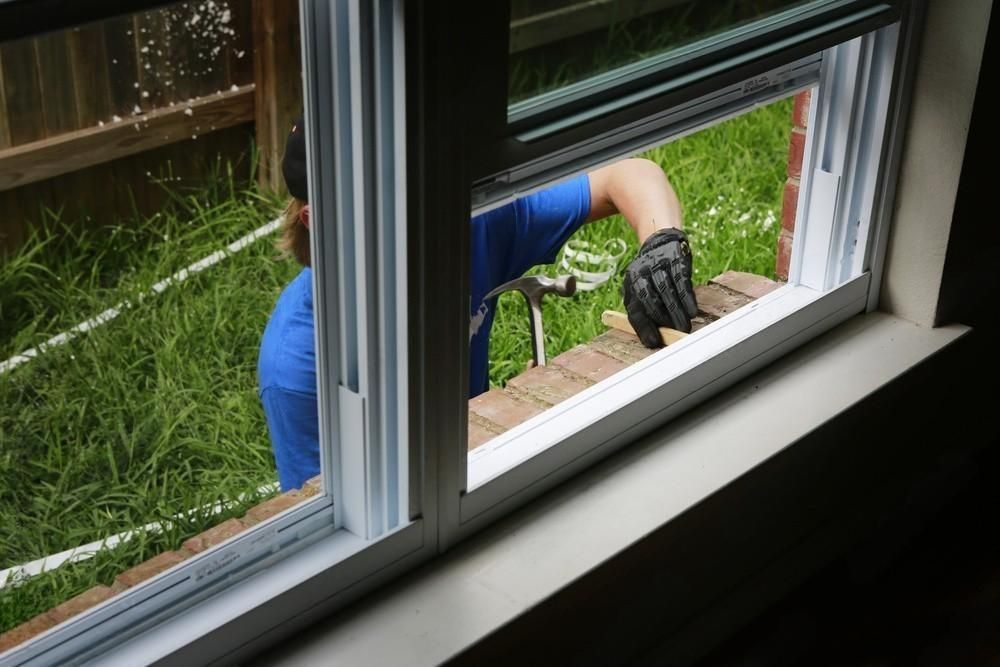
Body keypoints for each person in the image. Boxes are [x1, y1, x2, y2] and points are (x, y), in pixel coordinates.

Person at [258, 115, 698, 492]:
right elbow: (337, 526)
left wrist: (661, 242)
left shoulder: (467, 227)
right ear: (318, 220)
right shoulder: (301, 363)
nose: (414, 220)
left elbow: (630, 175)